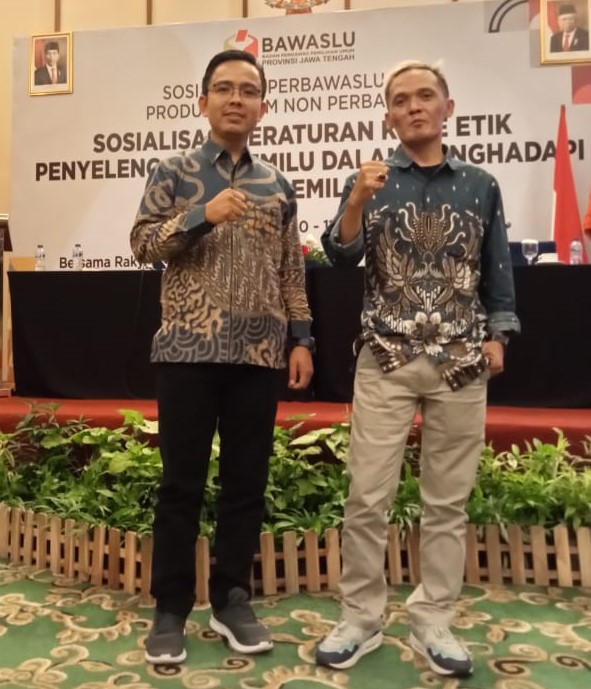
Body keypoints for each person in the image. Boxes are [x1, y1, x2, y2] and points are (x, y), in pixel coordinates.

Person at [315, 60, 520, 678]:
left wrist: (499, 333)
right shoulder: (369, 181)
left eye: (425, 96)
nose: (414, 107)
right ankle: (360, 617)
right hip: (386, 358)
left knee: (446, 504)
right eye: (401, 100)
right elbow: (340, 254)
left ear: (447, 108)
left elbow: (497, 265)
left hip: (461, 362)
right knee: (365, 497)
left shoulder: (480, 184)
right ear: (389, 116)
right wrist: (356, 200)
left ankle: (434, 620)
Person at [130, 49, 314, 665]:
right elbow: (141, 246)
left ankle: (232, 598)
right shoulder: (174, 171)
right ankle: (170, 607)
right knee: (179, 486)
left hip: (259, 354)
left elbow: (291, 271)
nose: (237, 99)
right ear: (203, 100)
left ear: (263, 106)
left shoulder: (277, 184)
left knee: (245, 484)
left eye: (249, 90)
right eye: (225, 88)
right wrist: (200, 216)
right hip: (186, 350)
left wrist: (302, 339)